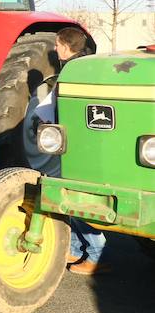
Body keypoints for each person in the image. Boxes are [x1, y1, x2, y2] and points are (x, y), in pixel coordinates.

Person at [34, 27, 107, 275]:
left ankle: (97, 251)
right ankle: (76, 248)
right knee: (69, 195)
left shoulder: (79, 71)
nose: (55, 49)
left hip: (79, 145)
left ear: (66, 46)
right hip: (70, 143)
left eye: (57, 44)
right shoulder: (74, 67)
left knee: (81, 197)